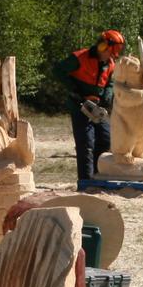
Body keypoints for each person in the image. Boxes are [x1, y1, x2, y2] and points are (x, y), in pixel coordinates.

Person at [51, 30, 125, 182]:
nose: (113, 55)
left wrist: (106, 99)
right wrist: (75, 90)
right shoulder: (80, 57)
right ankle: (86, 181)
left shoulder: (110, 64)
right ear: (103, 46)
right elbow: (58, 71)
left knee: (106, 139)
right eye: (112, 50)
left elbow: (110, 83)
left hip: (98, 107)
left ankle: (99, 176)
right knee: (86, 143)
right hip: (79, 105)